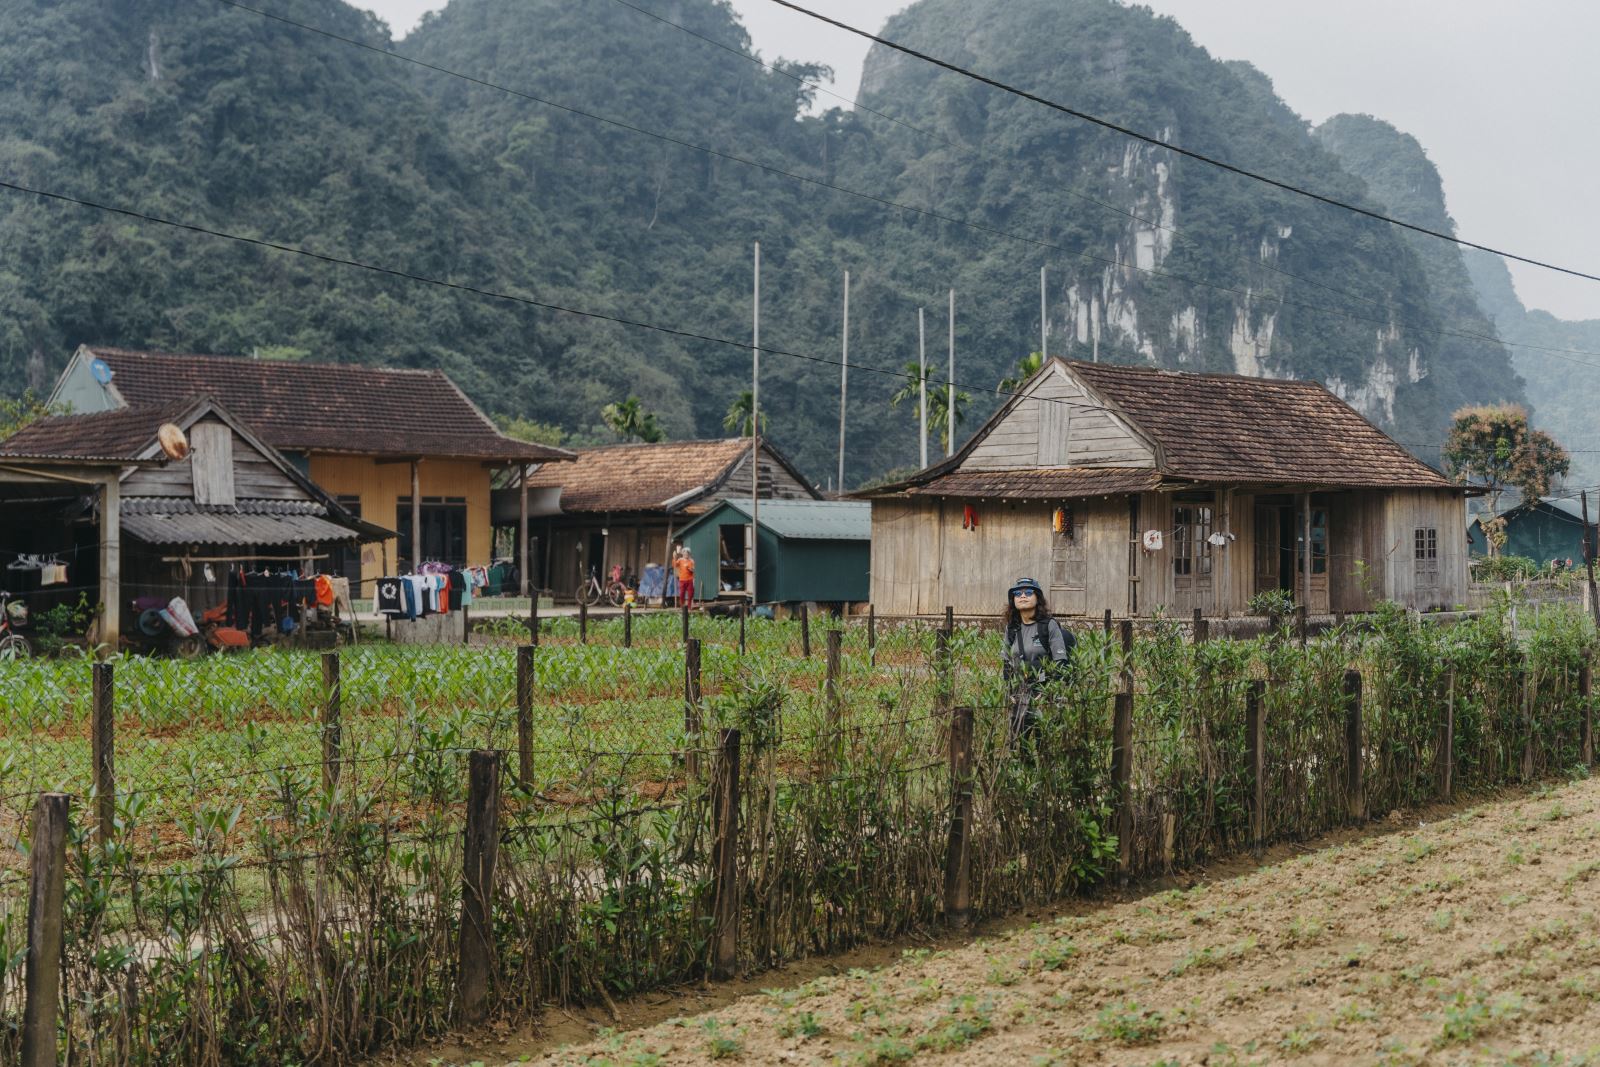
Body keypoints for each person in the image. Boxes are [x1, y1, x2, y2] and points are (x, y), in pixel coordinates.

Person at [1002, 577, 1075, 750]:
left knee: (1044, 746)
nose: (1022, 596)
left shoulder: (1048, 626)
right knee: (1020, 746)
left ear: (1038, 598)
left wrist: (1048, 693)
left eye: (1028, 592)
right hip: (1019, 695)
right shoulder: (1011, 628)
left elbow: (1060, 663)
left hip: (1044, 693)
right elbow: (1006, 663)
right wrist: (1010, 692)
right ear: (1012, 600)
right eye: (1017, 593)